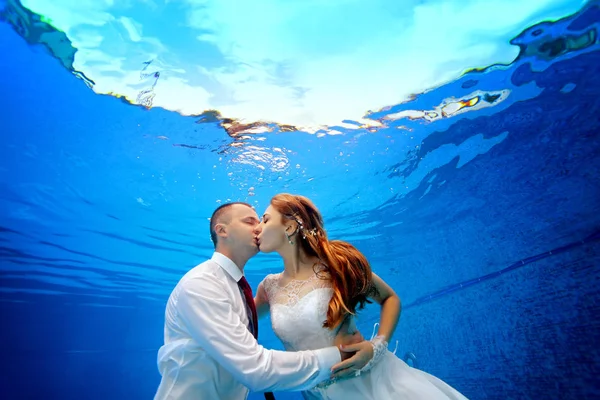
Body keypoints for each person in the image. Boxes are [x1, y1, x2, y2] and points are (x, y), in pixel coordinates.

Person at [254, 194, 469, 399]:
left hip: (374, 384)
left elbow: (389, 298)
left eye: (265, 219)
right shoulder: (269, 287)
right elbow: (237, 323)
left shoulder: (338, 266)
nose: (258, 227)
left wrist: (376, 346)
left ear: (290, 227)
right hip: (315, 393)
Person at [154, 202, 375, 400]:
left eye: (262, 220)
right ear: (222, 231)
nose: (259, 228)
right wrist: (343, 354)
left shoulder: (235, 288)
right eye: (250, 221)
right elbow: (256, 370)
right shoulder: (203, 285)